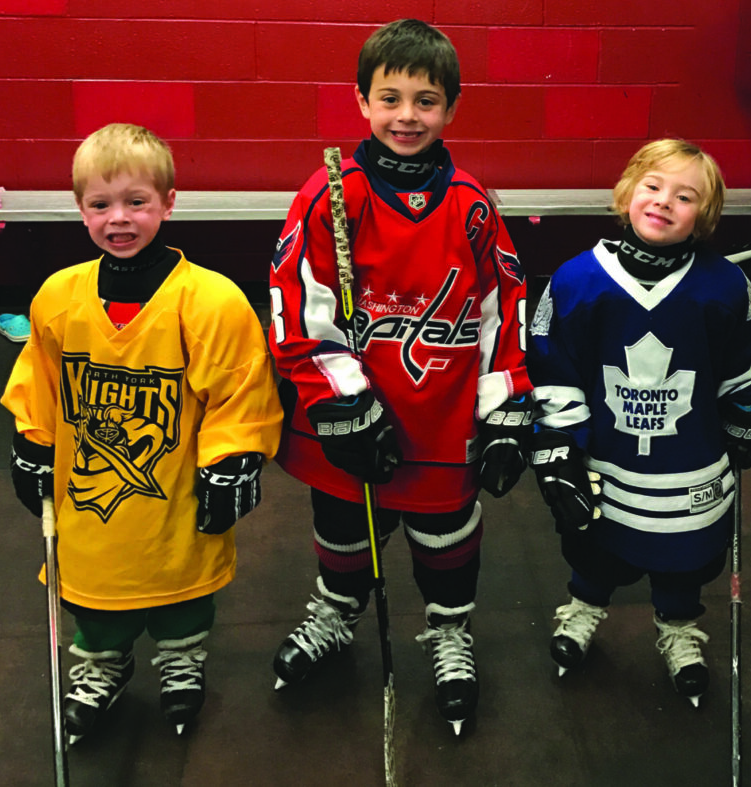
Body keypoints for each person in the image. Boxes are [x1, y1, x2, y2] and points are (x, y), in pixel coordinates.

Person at [267, 19, 532, 735]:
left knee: (447, 533)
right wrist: (341, 401)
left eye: (425, 100)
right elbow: (297, 303)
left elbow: (500, 301)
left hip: (440, 414)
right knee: (345, 524)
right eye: (390, 98)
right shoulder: (329, 194)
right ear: (361, 101)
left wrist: (505, 402)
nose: (406, 115)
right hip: (356, 409)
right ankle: (337, 609)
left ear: (451, 108)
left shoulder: (471, 201)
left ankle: (450, 631)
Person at [1, 123, 283, 741]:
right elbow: (40, 381)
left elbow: (240, 389)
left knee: (184, 590)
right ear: (80, 210)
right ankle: (103, 665)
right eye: (100, 205)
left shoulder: (211, 302)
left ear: (169, 202)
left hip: (175, 492)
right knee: (96, 596)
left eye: (137, 201)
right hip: (88, 501)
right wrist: (32, 441)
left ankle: (182, 660)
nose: (118, 219)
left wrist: (234, 457)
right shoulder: (59, 297)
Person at [528, 139, 751, 707]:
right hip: (608, 463)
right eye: (654, 186)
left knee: (684, 560)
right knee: (595, 548)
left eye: (685, 196)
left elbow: (743, 362)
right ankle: (585, 608)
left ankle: (679, 628)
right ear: (627, 192)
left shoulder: (725, 285)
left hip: (689, 467)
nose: (664, 202)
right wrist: (559, 443)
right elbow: (553, 365)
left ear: (704, 217)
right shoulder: (576, 280)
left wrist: (747, 412)